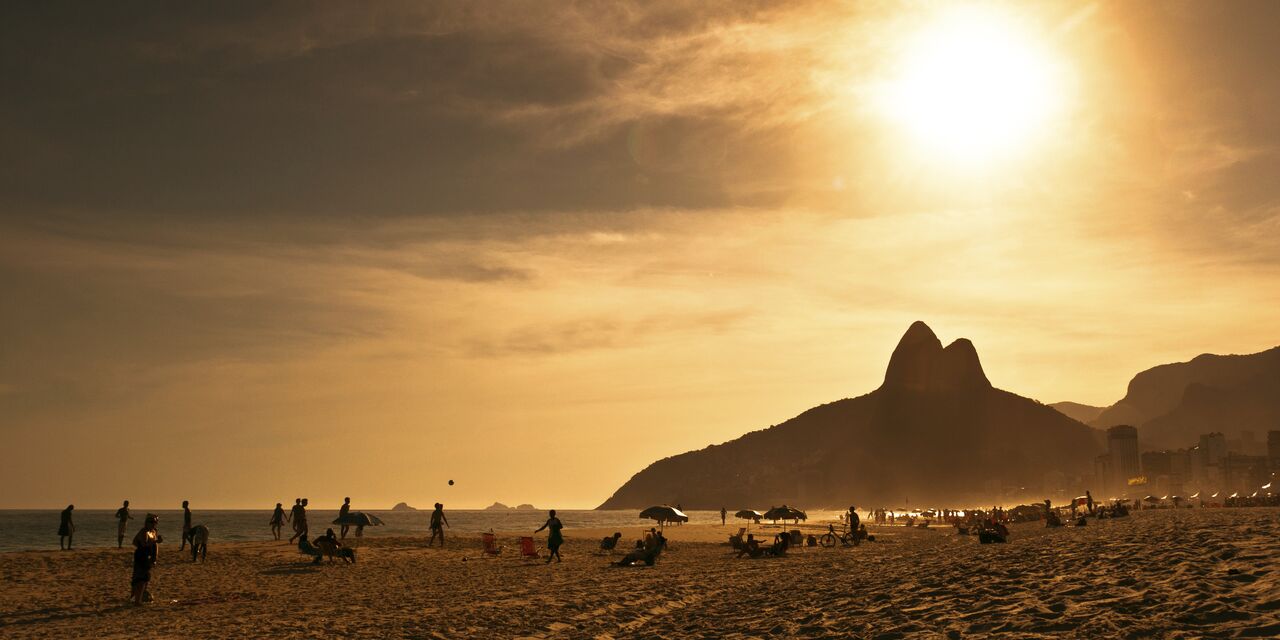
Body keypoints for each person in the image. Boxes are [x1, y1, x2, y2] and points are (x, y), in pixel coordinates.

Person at [130, 514, 162, 605]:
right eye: (151, 522)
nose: (153, 524)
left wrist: (154, 558)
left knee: (145, 577)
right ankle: (136, 600)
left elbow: (155, 546)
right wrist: (153, 543)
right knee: (140, 577)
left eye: (155, 522)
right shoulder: (144, 531)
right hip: (141, 556)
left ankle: (138, 597)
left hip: (148, 556)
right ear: (146, 522)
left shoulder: (154, 531)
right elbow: (140, 543)